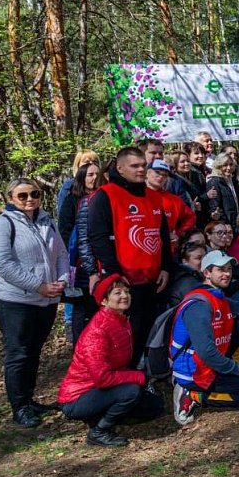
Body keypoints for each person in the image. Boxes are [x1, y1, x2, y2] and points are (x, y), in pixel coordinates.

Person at [0, 178, 70, 428]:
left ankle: (29, 400)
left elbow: (62, 255)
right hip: (15, 301)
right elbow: (1, 263)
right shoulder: (2, 224)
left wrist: (62, 280)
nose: (30, 199)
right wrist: (38, 285)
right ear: (10, 198)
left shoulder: (47, 222)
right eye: (22, 196)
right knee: (19, 353)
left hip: (46, 301)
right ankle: (19, 407)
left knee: (33, 351)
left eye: (34, 194)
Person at [88, 148, 173, 365]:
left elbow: (162, 234)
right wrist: (114, 273)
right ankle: (125, 378)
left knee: (148, 328)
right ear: (120, 168)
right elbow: (97, 237)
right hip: (125, 279)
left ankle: (144, 373)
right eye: (135, 166)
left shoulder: (154, 197)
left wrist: (165, 266)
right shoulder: (105, 195)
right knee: (126, 334)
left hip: (153, 278)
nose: (141, 169)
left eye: (143, 165)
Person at [57, 274, 164, 446]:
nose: (124, 296)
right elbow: (102, 378)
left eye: (126, 291)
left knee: (154, 406)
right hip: (78, 397)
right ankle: (99, 431)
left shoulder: (121, 320)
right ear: (104, 301)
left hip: (103, 389)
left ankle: (102, 414)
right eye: (117, 293)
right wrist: (138, 377)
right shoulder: (97, 331)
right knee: (131, 392)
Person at [170, 251, 239, 426]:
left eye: (229, 269)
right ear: (207, 273)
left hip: (210, 364)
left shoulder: (218, 297)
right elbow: (206, 352)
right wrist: (237, 369)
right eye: (221, 270)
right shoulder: (199, 305)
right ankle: (193, 395)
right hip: (194, 372)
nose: (227, 274)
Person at [58, 161, 106, 343]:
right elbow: (65, 230)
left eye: (96, 174)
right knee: (81, 304)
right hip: (78, 260)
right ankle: (79, 346)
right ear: (82, 178)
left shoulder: (103, 197)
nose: (94, 178)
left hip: (99, 258)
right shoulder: (72, 199)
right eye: (90, 175)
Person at [147, 160, 197, 253]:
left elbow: (191, 217)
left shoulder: (173, 200)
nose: (161, 177)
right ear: (148, 173)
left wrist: (179, 234)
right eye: (157, 173)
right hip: (141, 250)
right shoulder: (135, 197)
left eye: (165, 175)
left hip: (168, 251)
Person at [205, 152, 239, 228]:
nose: (229, 168)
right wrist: (224, 223)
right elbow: (214, 207)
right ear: (219, 166)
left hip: (237, 222)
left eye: (231, 165)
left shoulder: (233, 181)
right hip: (225, 225)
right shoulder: (214, 182)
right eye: (225, 165)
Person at [167, 241, 208, 307]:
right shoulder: (187, 282)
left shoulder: (198, 277)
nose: (204, 261)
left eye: (206, 257)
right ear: (185, 261)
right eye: (198, 258)